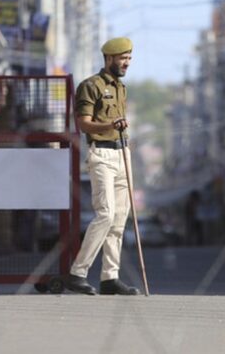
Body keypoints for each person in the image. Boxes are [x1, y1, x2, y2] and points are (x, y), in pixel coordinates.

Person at [64, 37, 140, 296]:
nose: (126, 63)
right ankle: (78, 273)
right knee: (105, 214)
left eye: (129, 59)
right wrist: (110, 125)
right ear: (108, 58)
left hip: (122, 154)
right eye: (122, 59)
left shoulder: (121, 87)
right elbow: (84, 123)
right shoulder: (90, 86)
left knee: (119, 220)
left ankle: (110, 277)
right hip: (102, 156)